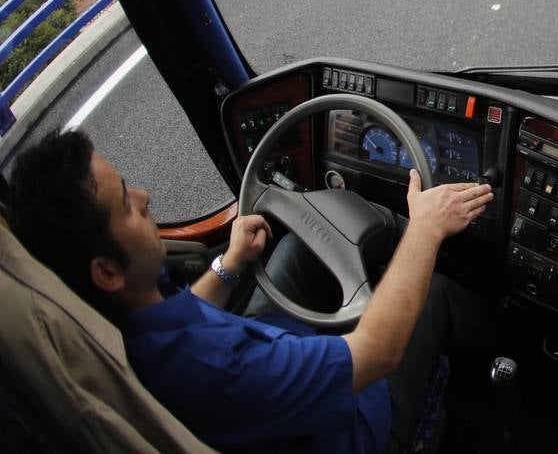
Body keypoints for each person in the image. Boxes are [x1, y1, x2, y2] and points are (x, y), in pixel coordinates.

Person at [6, 129, 494, 453]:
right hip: (360, 424)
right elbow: (376, 353)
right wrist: (425, 230)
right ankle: (497, 377)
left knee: (293, 252)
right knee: (435, 292)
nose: (144, 198)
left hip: (268, 372)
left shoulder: (120, 329)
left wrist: (229, 264)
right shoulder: (213, 367)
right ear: (107, 271)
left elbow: (184, 314)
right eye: (125, 205)